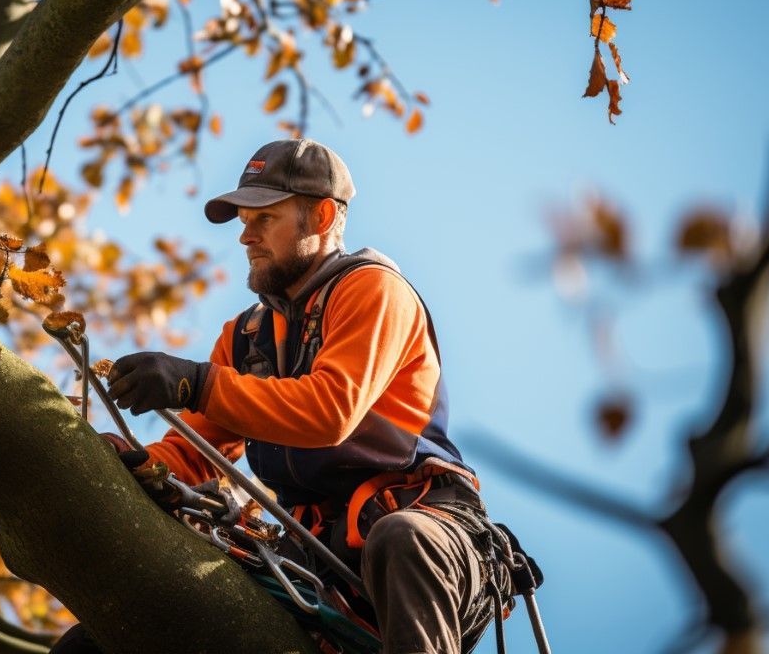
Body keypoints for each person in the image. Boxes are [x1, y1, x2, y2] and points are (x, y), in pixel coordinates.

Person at [65, 139, 508, 654]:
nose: (245, 236)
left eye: (263, 218)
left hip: (424, 539)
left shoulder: (373, 290)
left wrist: (197, 382)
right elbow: (194, 453)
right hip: (315, 561)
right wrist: (131, 463)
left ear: (321, 216)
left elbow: (330, 411)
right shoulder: (246, 336)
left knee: (399, 538)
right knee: (99, 640)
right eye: (242, 219)